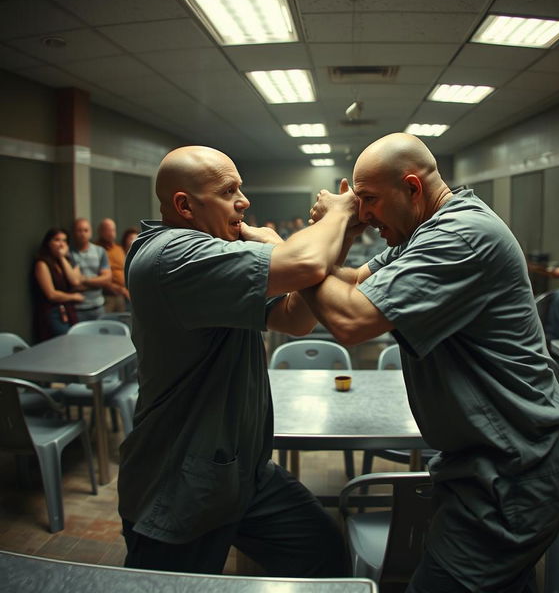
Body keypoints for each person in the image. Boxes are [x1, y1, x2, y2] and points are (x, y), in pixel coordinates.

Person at [286, 133, 559, 593]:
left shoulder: (459, 235)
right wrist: (337, 234)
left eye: (369, 200)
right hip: (488, 461)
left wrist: (297, 250)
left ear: (412, 188)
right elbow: (351, 280)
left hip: (518, 465)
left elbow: (350, 317)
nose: (363, 213)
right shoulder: (420, 235)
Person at [117, 146, 350, 577]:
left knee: (322, 553)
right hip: (178, 483)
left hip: (242, 474)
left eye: (240, 188)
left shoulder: (214, 253)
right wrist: (339, 212)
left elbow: (294, 318)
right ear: (185, 206)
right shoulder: (174, 257)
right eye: (228, 191)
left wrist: (344, 234)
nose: (244, 201)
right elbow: (305, 261)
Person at [33, 228, 84, 341]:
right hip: (54, 312)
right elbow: (51, 294)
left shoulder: (66, 261)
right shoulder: (42, 263)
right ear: (48, 243)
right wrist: (73, 297)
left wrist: (61, 257)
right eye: (57, 240)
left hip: (69, 310)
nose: (61, 244)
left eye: (64, 241)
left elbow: (75, 281)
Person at [69, 218, 112, 321]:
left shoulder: (100, 251)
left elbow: (106, 280)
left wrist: (83, 279)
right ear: (73, 233)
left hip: (98, 307)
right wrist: (97, 282)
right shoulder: (68, 254)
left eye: (86, 230)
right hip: (77, 309)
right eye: (79, 230)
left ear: (91, 232)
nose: (82, 234)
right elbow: (72, 284)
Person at [96, 217, 129, 313]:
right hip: (106, 295)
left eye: (113, 230)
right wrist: (117, 289)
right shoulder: (96, 249)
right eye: (108, 230)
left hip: (121, 295)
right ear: (100, 232)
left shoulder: (119, 249)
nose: (111, 233)